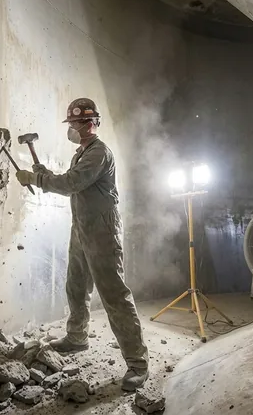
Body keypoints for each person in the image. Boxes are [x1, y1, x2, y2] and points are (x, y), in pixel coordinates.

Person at [15, 98, 149, 391]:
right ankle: (77, 337)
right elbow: (68, 181)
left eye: (74, 124)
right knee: (76, 285)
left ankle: (138, 364)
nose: (71, 129)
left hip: (102, 232)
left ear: (89, 124)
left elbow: (72, 184)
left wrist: (35, 178)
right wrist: (43, 173)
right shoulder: (82, 152)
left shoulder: (98, 153)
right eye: (71, 125)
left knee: (114, 296)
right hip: (82, 229)